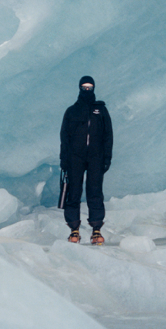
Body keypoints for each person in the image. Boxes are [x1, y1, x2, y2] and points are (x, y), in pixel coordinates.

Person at [60, 75, 113, 245]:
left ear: (94, 88)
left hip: (96, 157)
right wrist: (64, 159)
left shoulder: (101, 110)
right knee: (73, 192)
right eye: (84, 87)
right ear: (79, 88)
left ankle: (96, 230)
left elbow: (108, 135)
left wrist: (107, 157)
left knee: (95, 191)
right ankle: (74, 229)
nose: (87, 89)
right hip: (75, 157)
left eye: (90, 86)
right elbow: (64, 137)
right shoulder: (71, 111)